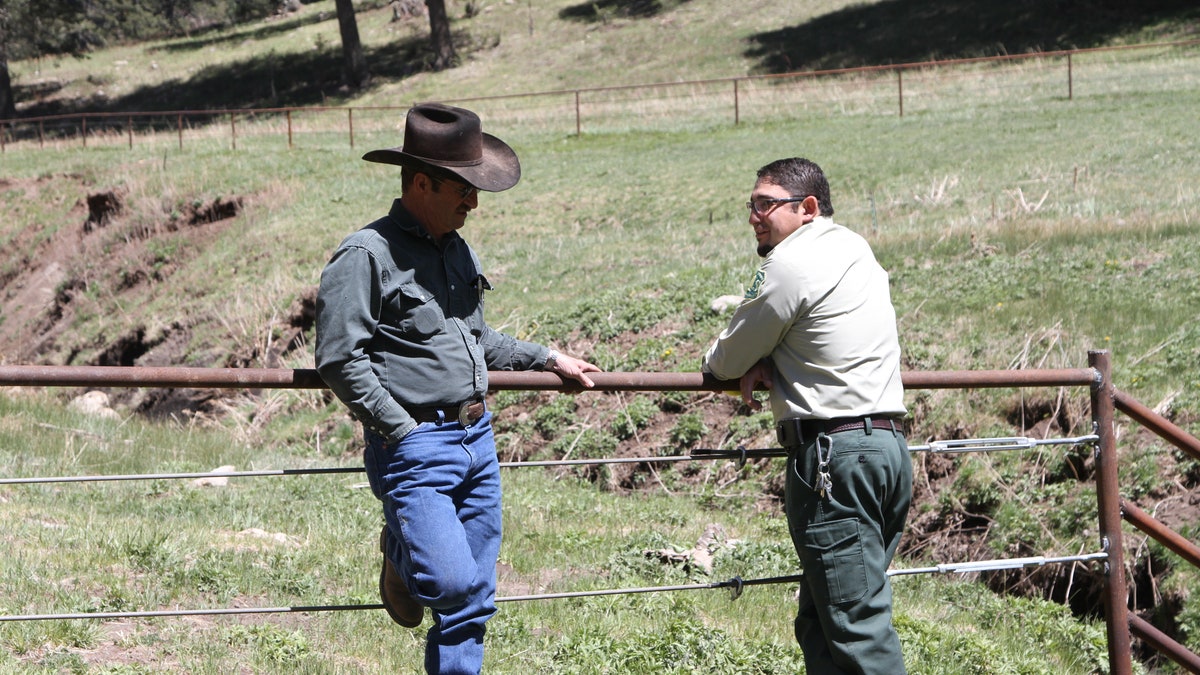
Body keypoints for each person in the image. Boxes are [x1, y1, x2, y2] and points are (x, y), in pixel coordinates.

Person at [315, 103, 600, 675]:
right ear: (421, 183)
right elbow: (339, 358)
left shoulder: (456, 249)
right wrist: (402, 430)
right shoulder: (365, 256)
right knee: (451, 583)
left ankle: (408, 565)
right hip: (416, 446)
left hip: (478, 438)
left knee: (473, 600)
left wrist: (547, 358)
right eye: (463, 190)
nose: (474, 202)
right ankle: (402, 554)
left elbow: (476, 340)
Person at [701, 157, 911, 674]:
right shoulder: (855, 250)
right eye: (751, 204)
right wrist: (776, 354)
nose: (754, 215)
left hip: (833, 460)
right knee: (824, 620)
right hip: (886, 451)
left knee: (858, 627)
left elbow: (722, 362)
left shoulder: (790, 263)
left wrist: (754, 358)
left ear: (808, 208)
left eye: (765, 204)